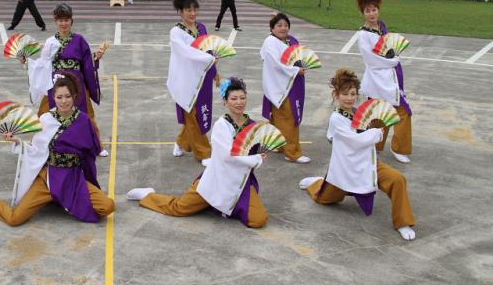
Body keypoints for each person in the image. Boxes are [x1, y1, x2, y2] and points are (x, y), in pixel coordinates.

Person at [126, 77, 269, 228]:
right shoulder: (221, 126)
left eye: (242, 98)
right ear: (225, 102)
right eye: (234, 98)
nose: (239, 102)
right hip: (216, 180)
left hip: (241, 183)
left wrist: (262, 150)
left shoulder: (253, 126)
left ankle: (218, 205)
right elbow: (228, 155)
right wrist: (256, 159)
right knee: (179, 208)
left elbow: (255, 150)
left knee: (258, 220)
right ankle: (148, 195)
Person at [0, 73, 115, 225]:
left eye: (67, 96)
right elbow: (37, 151)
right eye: (59, 97)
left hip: (73, 179)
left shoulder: (83, 120)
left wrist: (90, 183)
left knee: (107, 206)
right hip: (48, 178)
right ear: (53, 98)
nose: (64, 101)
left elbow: (89, 156)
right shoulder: (46, 119)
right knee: (15, 219)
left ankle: (60, 199)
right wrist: (18, 142)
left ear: (74, 96)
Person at [299, 69, 416, 241]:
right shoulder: (336, 118)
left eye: (353, 93)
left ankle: (403, 222)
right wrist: (376, 134)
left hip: (368, 164)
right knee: (325, 199)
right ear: (336, 94)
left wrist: (377, 131)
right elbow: (353, 141)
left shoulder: (362, 112)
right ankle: (317, 182)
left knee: (398, 180)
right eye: (344, 93)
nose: (349, 98)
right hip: (345, 169)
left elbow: (368, 137)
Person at [27, 3, 109, 156]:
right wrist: (28, 63)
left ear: (71, 21)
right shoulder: (51, 42)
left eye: (66, 20)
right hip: (55, 82)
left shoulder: (79, 40)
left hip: (77, 82)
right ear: (55, 21)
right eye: (60, 20)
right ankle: (38, 144)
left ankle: (97, 145)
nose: (63, 23)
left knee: (86, 114)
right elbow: (43, 64)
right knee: (45, 113)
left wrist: (95, 58)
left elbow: (87, 63)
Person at [356, 0, 413, 163]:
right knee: (382, 113)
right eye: (367, 10)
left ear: (378, 10)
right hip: (377, 78)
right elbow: (371, 60)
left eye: (374, 9)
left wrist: (393, 60)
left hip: (390, 77)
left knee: (401, 111)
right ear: (363, 13)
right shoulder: (363, 34)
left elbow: (389, 49)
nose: (371, 13)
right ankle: (375, 144)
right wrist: (393, 61)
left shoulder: (382, 27)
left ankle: (398, 148)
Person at [167, 0, 218, 163]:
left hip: (202, 76)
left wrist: (215, 70)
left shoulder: (202, 28)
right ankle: (204, 153)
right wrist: (207, 58)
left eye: (195, 10)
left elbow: (209, 49)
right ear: (180, 11)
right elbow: (185, 52)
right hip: (186, 79)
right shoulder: (176, 32)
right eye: (188, 10)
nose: (193, 13)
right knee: (193, 114)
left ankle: (181, 142)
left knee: (198, 113)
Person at [260, 13, 311, 164]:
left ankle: (278, 144)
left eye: (286, 25)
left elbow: (299, 57)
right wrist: (296, 70)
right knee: (288, 117)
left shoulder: (292, 40)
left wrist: (300, 67)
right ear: (272, 27)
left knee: (278, 117)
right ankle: (292, 152)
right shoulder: (270, 42)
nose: (283, 28)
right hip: (279, 85)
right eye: (279, 25)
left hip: (292, 84)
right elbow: (276, 64)